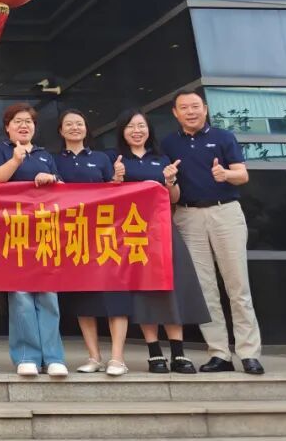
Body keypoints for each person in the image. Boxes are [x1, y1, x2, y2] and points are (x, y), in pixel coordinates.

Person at [162, 90, 263, 375]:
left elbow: (242, 174)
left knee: (238, 286)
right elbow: (170, 189)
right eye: (184, 108)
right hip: (188, 215)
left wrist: (226, 175)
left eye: (195, 106)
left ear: (205, 109)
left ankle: (249, 353)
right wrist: (169, 180)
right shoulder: (169, 143)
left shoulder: (223, 137)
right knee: (204, 289)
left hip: (225, 212)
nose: (190, 112)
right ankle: (219, 353)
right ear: (175, 113)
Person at [116, 109, 209, 375]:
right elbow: (110, 197)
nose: (137, 131)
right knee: (144, 290)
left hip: (163, 230)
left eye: (141, 126)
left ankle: (178, 353)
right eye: (131, 126)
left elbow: (174, 197)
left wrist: (169, 181)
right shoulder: (116, 158)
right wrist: (116, 179)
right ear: (122, 131)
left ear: (149, 130)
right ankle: (154, 352)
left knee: (171, 286)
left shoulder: (161, 158)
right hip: (133, 233)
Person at [0, 102, 67, 378]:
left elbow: (63, 188)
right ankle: (26, 356)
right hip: (14, 231)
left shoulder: (45, 154)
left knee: (48, 294)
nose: (24, 125)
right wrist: (16, 160)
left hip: (44, 231)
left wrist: (51, 177)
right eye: (18, 121)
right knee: (21, 296)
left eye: (28, 121)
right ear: (7, 127)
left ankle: (53, 356)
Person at [54, 109, 131, 377]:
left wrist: (117, 180)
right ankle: (94, 356)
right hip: (74, 237)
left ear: (86, 129)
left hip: (105, 235)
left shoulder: (102, 158)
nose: (75, 128)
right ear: (61, 131)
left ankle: (118, 358)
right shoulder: (53, 160)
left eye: (79, 124)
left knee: (114, 296)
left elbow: (114, 191)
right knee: (83, 298)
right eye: (69, 124)